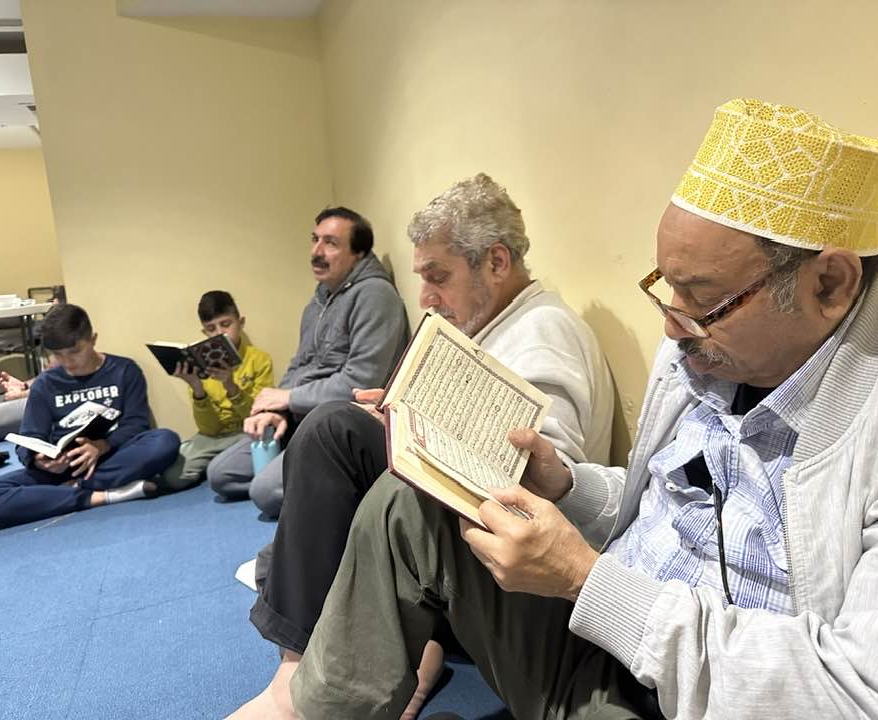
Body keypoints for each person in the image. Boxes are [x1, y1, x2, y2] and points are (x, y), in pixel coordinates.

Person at [275, 99, 878, 719]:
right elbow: (668, 504)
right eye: (664, 286)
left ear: (829, 285)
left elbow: (859, 694)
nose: (673, 329)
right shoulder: (708, 350)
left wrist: (585, 580)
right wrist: (565, 485)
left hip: (679, 695)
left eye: (701, 298)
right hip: (597, 629)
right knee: (409, 501)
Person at [231, 173, 615, 719]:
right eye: (422, 277)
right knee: (321, 477)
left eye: (439, 277)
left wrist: (402, 427)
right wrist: (399, 412)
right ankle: (381, 649)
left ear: (497, 263)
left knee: (332, 433)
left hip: (502, 568)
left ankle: (298, 678)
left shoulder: (543, 331)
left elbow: (532, 485)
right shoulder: (489, 323)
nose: (426, 297)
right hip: (455, 538)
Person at [208, 206, 410, 516]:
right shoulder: (317, 301)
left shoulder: (375, 296)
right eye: (315, 240)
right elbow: (299, 364)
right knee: (220, 473)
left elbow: (361, 381)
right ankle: (302, 472)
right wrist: (275, 410)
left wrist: (289, 397)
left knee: (265, 492)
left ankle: (347, 483)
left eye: (330, 243)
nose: (316, 251)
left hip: (337, 424)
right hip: (299, 416)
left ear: (358, 253)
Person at [0, 304, 180, 527]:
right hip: (60, 469)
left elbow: (136, 424)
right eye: (58, 355)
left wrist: (101, 446)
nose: (68, 362)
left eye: (75, 351)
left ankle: (69, 492)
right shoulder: (45, 384)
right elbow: (29, 438)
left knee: (165, 441)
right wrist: (38, 460)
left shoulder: (124, 370)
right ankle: (98, 496)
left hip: (111, 458)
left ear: (93, 339)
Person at [154, 291, 273, 494]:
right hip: (213, 436)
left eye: (226, 324)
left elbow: (258, 416)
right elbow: (207, 427)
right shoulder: (200, 361)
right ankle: (218, 462)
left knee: (262, 448)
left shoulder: (259, 359)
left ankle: (223, 465)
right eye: (211, 329)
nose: (220, 334)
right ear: (204, 333)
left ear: (240, 322)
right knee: (173, 478)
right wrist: (197, 388)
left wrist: (230, 385)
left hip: (246, 431)